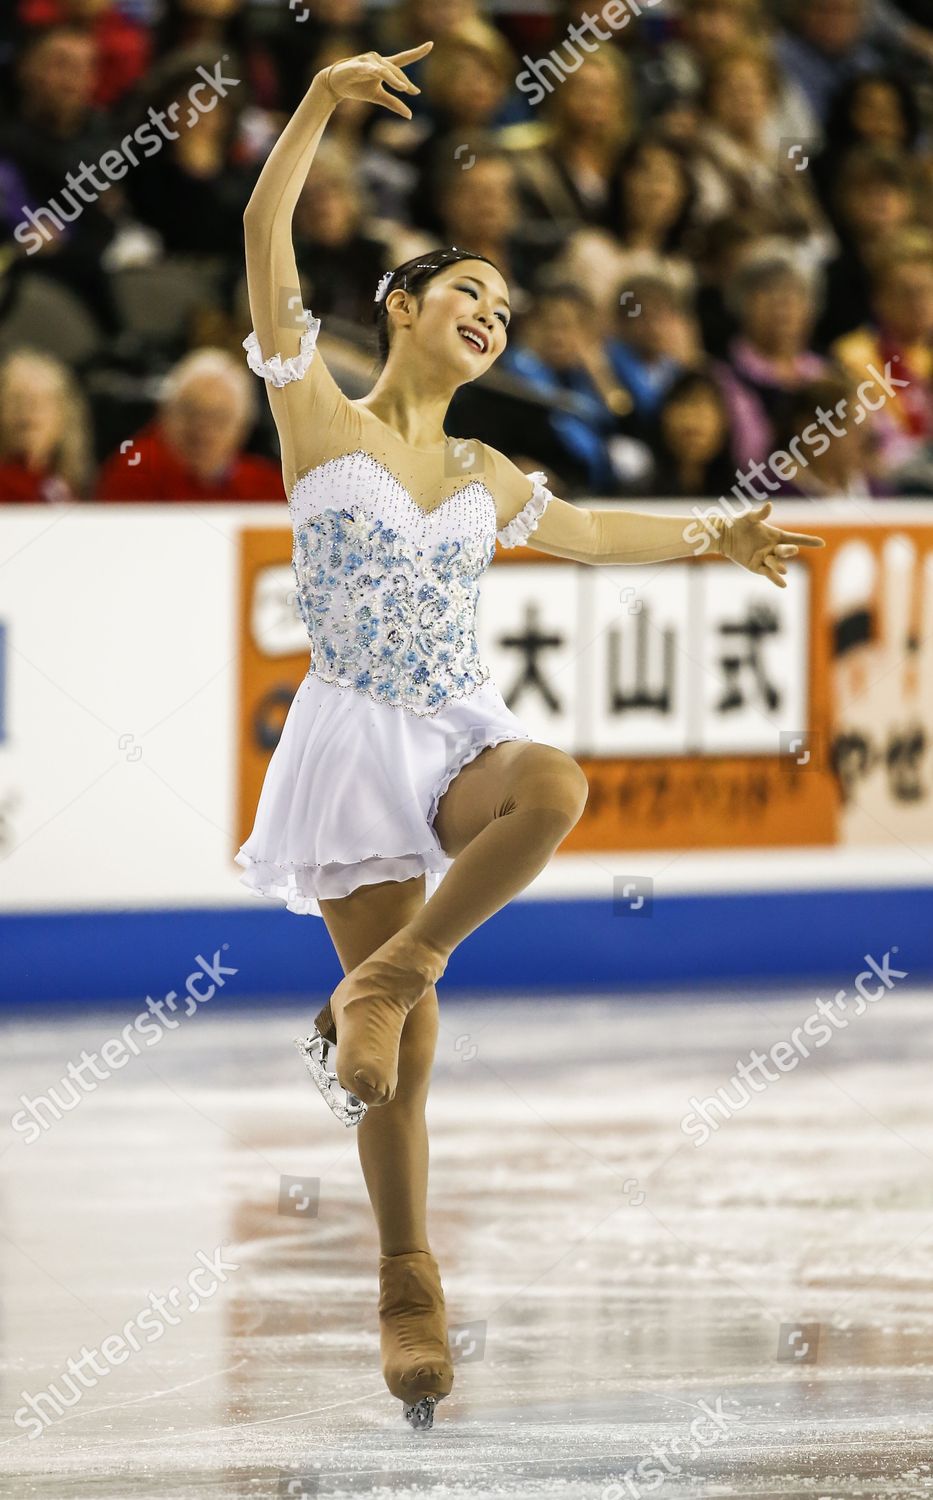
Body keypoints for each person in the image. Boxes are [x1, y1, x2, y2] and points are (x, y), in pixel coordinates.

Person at [235, 39, 825, 1432]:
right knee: (407, 1066)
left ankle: (390, 974)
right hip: (349, 738)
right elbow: (265, 236)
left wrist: (711, 531)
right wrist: (319, 101)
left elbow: (591, 532)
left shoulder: (488, 471)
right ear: (401, 304)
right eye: (468, 291)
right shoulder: (312, 409)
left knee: (552, 783)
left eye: (505, 302)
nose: (494, 310)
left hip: (453, 728)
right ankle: (404, 1277)